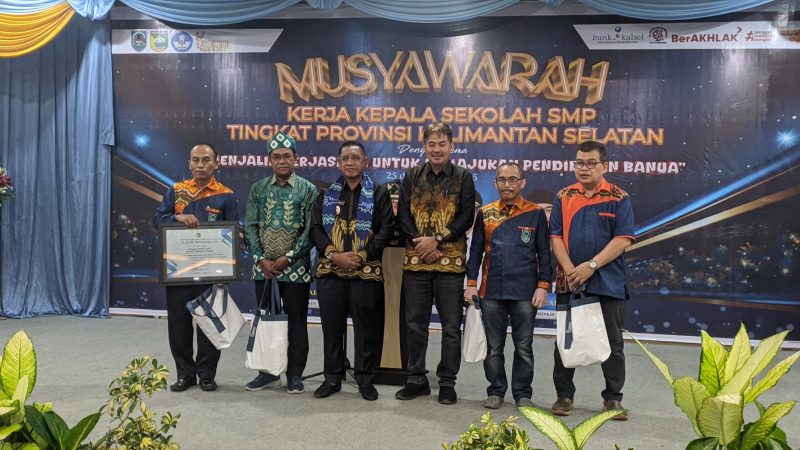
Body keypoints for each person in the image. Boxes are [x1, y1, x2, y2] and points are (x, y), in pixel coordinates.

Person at [549, 140, 635, 420]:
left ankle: (612, 399)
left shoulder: (619, 197)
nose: (583, 169)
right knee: (566, 341)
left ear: (604, 166)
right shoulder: (564, 195)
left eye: (590, 163)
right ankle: (564, 396)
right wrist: (571, 269)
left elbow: (623, 239)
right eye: (579, 163)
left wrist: (592, 265)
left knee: (612, 342)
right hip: (570, 280)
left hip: (608, 282)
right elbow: (556, 237)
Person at [395, 122, 476, 405]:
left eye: (442, 144)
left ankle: (447, 382)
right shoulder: (412, 175)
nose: (437, 149)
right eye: (431, 144)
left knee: (451, 327)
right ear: (424, 147)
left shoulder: (464, 177)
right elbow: (403, 216)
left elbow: (467, 216)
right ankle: (416, 378)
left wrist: (437, 239)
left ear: (452, 147)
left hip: (450, 265)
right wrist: (422, 243)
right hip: (416, 262)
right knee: (414, 325)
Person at [309, 140, 394, 401]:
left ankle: (365, 379)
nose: (350, 162)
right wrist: (334, 255)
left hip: (364, 271)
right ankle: (332, 377)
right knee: (331, 328)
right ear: (338, 162)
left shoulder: (378, 193)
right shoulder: (326, 193)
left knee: (366, 328)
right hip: (331, 271)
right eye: (345, 158)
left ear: (365, 162)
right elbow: (315, 229)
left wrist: (362, 255)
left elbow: (387, 229)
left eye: (355, 158)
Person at [153, 143, 239, 392]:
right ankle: (185, 374)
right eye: (195, 160)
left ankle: (207, 374)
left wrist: (226, 274)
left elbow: (232, 235)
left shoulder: (226, 194)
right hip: (179, 271)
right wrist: (176, 218)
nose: (200, 165)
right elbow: (157, 220)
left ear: (216, 163)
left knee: (208, 324)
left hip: (212, 273)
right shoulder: (176, 191)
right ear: (189, 163)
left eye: (206, 160)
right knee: (178, 325)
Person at [465, 162, 552, 409]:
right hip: (491, 290)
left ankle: (523, 394)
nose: (507, 184)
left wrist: (543, 285)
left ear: (522, 182)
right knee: (494, 348)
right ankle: (496, 391)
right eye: (502, 180)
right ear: (496, 183)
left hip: (526, 291)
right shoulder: (486, 212)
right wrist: (471, 284)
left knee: (524, 346)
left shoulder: (535, 212)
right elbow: (476, 252)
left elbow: (544, 252)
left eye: (513, 179)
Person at [243, 132, 318, 394]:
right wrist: (261, 259)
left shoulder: (308, 189)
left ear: (296, 158)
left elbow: (311, 231)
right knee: (265, 321)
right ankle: (267, 373)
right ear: (270, 160)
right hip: (263, 271)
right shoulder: (258, 189)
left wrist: (289, 257)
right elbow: (250, 227)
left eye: (287, 156)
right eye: (277, 157)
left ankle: (295, 374)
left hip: (295, 270)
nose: (282, 161)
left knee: (296, 322)